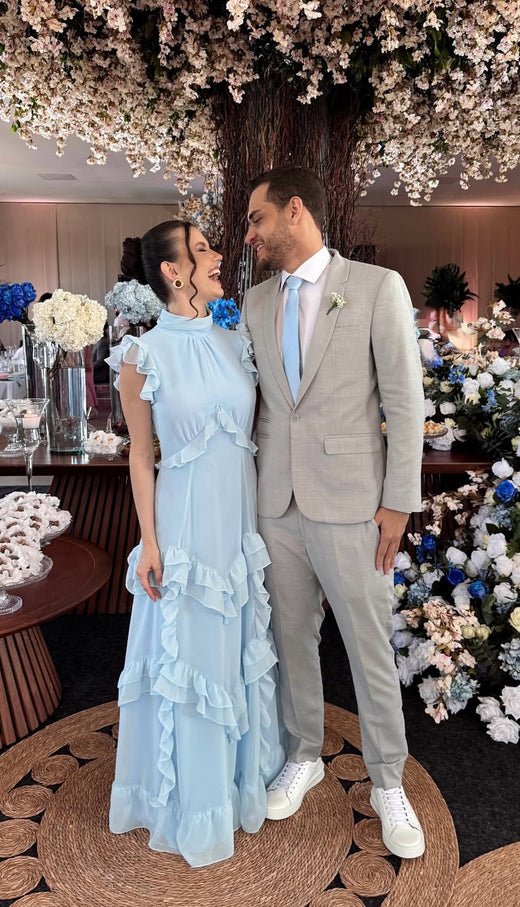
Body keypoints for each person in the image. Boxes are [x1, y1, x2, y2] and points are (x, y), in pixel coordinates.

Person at [242, 166, 426, 859]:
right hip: (276, 500)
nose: (252, 233)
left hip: (354, 503)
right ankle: (302, 752)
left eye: (258, 219)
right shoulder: (256, 301)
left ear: (296, 211)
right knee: (291, 636)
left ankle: (387, 780)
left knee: (368, 645)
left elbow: (405, 405)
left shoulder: (377, 289)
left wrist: (396, 504)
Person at [107, 220, 284, 867]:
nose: (218, 257)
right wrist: (149, 542)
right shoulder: (140, 356)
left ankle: (238, 782)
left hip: (235, 528)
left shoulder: (235, 341)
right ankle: (190, 800)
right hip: (181, 532)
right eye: (203, 249)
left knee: (233, 648)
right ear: (172, 271)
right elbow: (140, 457)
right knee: (189, 662)